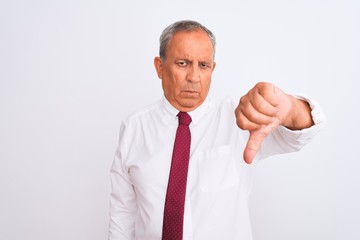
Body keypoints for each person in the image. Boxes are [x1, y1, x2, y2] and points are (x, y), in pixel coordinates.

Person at [109, 20, 325, 240]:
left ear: (212, 69)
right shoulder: (134, 127)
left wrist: (289, 108)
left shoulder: (241, 118)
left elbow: (301, 134)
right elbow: (122, 213)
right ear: (160, 67)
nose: (194, 77)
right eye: (183, 63)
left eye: (203, 65)